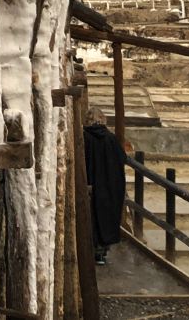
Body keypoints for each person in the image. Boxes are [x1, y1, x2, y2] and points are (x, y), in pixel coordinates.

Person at [83, 107, 126, 264]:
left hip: (91, 185)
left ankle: (91, 249)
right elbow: (122, 159)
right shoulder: (111, 138)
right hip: (109, 185)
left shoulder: (83, 137)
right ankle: (101, 252)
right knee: (106, 217)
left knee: (92, 217)